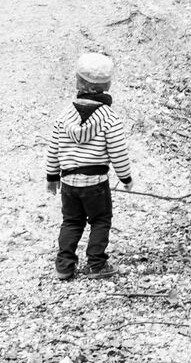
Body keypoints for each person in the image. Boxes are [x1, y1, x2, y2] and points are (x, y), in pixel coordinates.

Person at [45, 51, 133, 281]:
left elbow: (53, 148)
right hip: (96, 183)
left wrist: (51, 176)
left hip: (68, 181)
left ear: (77, 80)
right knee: (100, 220)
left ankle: (64, 265)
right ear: (108, 84)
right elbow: (118, 152)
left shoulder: (64, 116)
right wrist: (125, 178)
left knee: (71, 221)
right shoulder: (110, 118)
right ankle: (96, 264)